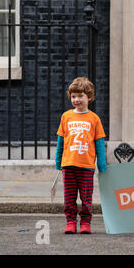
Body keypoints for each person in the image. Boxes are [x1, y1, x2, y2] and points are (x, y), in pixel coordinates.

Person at [55, 77, 107, 235]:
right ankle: (70, 221)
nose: (76, 99)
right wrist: (58, 160)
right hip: (69, 164)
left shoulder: (94, 118)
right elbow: (61, 141)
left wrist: (102, 164)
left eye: (80, 96)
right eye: (73, 96)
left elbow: (99, 143)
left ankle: (85, 222)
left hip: (86, 166)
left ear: (89, 97)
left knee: (86, 197)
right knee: (69, 197)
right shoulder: (66, 116)